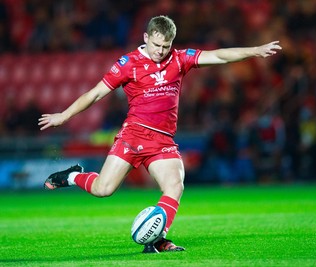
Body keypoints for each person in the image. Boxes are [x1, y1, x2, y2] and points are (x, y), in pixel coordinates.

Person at [38, 15, 282, 253]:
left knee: (175, 186)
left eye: (166, 46)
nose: (160, 51)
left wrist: (255, 50)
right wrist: (64, 115)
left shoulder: (179, 59)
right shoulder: (128, 63)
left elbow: (218, 55)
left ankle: (158, 239)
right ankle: (72, 177)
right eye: (156, 45)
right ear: (146, 37)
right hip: (133, 136)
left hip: (162, 140)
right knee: (104, 189)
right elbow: (95, 94)